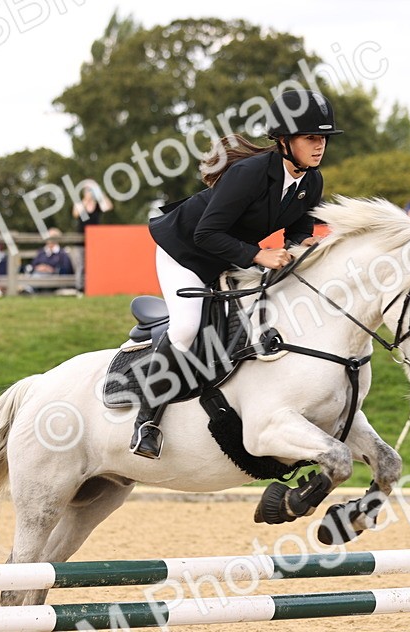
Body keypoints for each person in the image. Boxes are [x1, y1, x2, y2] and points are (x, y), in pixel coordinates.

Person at [130, 88, 340, 459]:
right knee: (185, 327)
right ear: (284, 140)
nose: (319, 146)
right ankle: (146, 422)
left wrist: (301, 243)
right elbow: (205, 233)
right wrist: (260, 255)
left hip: (230, 257)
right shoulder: (248, 174)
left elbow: (300, 227)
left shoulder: (311, 180)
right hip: (185, 253)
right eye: (311, 137)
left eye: (322, 138)